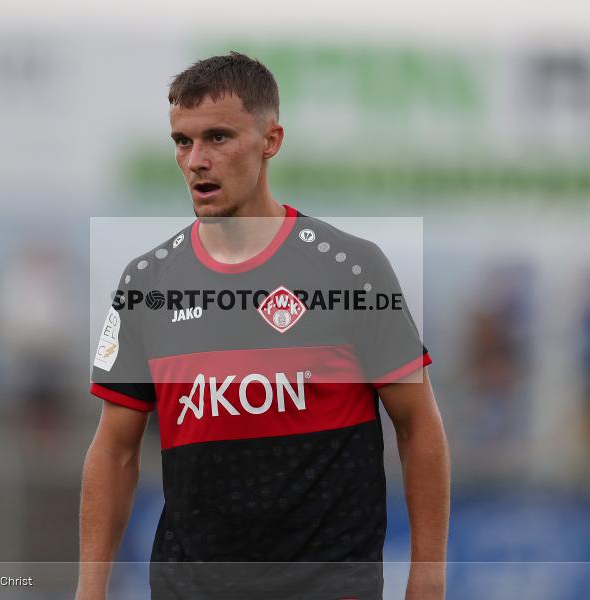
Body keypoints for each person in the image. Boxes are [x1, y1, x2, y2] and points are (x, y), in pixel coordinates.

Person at [77, 52, 450, 600]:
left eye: (218, 138)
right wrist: (90, 591)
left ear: (270, 140)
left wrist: (428, 578)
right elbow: (114, 450)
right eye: (183, 141)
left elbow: (419, 427)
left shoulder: (349, 268)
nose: (197, 160)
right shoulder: (147, 283)